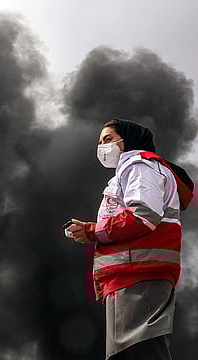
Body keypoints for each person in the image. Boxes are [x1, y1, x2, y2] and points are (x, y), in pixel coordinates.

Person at [68, 119, 194, 360]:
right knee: (130, 352)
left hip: (139, 275)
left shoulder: (140, 165)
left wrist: (93, 231)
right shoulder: (130, 170)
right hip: (129, 276)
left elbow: (143, 215)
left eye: (108, 139)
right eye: (100, 142)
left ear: (128, 140)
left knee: (141, 351)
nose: (102, 147)